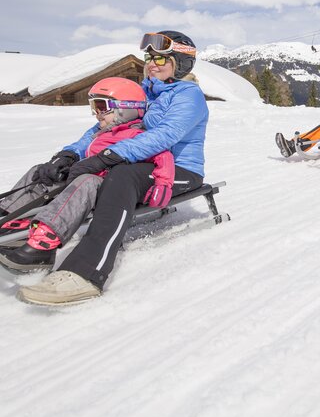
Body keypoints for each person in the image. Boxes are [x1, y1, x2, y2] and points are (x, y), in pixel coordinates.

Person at [7, 30, 209, 306]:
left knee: (121, 176)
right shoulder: (144, 92)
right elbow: (103, 128)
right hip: (138, 163)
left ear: (181, 62)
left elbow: (164, 135)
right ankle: (9, 226)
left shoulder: (189, 96)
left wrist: (107, 157)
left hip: (177, 172)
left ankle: (86, 272)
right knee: (53, 170)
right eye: (149, 57)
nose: (151, 63)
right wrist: (69, 154)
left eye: (161, 60)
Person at [0, 77, 174, 273]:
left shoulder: (137, 136)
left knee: (86, 181)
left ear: (127, 108)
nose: (97, 114)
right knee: (38, 171)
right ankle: (9, 220)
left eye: (102, 106)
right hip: (81, 175)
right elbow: (81, 150)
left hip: (104, 186)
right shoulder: (100, 132)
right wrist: (62, 162)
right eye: (94, 107)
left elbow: (164, 157)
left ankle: (45, 243)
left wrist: (163, 185)